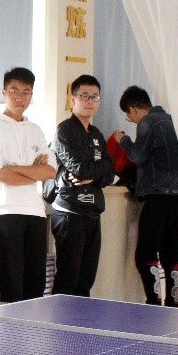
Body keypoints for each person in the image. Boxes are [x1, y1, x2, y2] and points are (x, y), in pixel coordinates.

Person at [0, 67, 57, 302]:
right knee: (12, 282)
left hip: (35, 210)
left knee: (36, 283)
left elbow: (50, 171)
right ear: (4, 92)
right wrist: (33, 172)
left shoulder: (35, 130)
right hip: (4, 209)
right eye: (14, 91)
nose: (20, 97)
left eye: (26, 92)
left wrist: (14, 168)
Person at [114, 86, 178, 306]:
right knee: (172, 253)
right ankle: (174, 302)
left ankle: (154, 302)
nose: (131, 120)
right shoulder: (176, 122)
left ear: (133, 109)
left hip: (159, 197)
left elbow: (137, 155)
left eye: (129, 116)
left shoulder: (148, 123)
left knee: (145, 255)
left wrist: (123, 140)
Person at [49, 76, 115, 296]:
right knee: (68, 278)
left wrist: (94, 178)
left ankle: (81, 319)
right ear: (73, 99)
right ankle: (59, 318)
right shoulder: (65, 130)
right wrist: (96, 171)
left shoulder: (96, 134)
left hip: (93, 211)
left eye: (95, 97)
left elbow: (110, 172)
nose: (90, 101)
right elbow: (79, 169)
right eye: (84, 96)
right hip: (70, 212)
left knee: (86, 279)